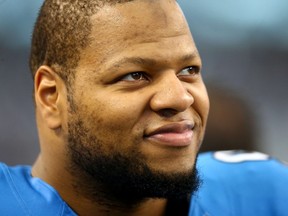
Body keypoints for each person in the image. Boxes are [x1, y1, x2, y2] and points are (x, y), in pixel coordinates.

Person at [0, 0, 287, 215]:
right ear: (52, 96)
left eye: (188, 70)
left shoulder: (263, 195)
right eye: (135, 75)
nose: (180, 98)